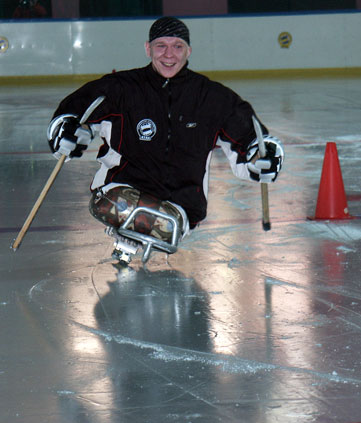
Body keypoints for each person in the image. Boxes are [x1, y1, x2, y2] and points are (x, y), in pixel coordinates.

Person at [48, 16, 284, 259]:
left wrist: (260, 158)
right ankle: (134, 235)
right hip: (122, 192)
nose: (169, 54)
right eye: (161, 45)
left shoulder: (213, 98)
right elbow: (75, 111)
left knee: (167, 223)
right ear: (148, 48)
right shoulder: (120, 89)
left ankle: (148, 230)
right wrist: (67, 132)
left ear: (188, 50)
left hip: (181, 208)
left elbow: (249, 140)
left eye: (177, 46)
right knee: (113, 204)